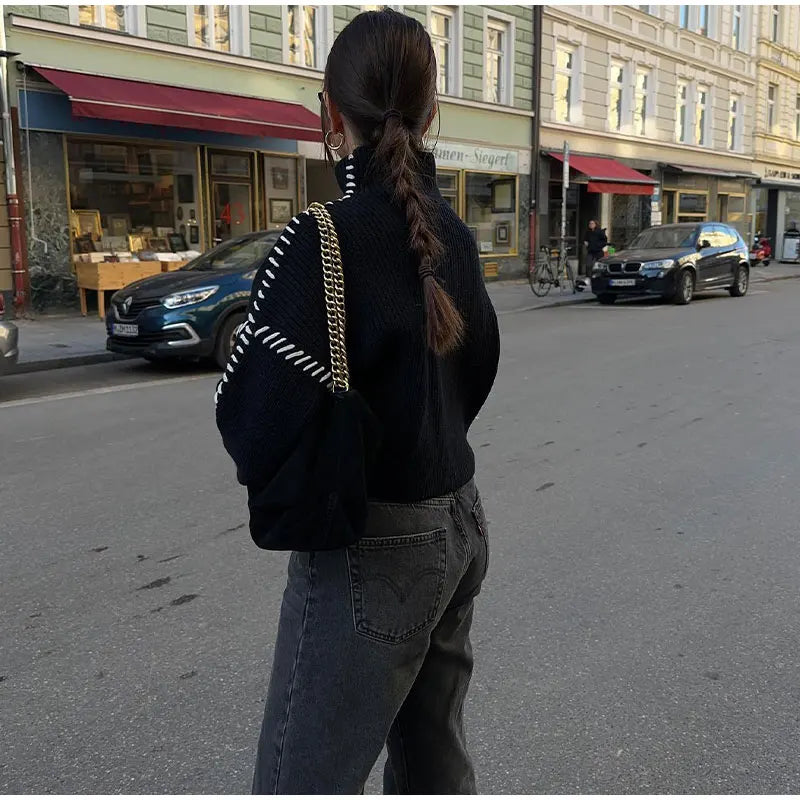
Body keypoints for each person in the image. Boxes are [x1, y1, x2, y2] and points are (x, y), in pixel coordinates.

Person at [215, 9, 500, 795]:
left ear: (330, 114)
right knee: (435, 764)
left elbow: (252, 414)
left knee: (301, 780)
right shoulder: (454, 234)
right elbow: (477, 371)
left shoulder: (321, 238)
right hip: (461, 521)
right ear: (432, 112)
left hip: (374, 543)